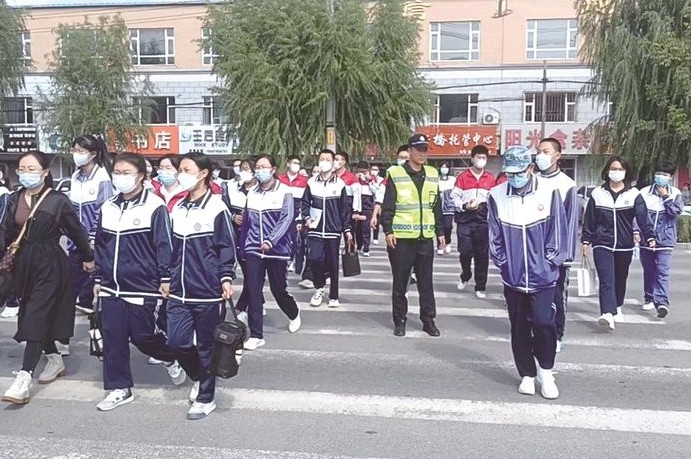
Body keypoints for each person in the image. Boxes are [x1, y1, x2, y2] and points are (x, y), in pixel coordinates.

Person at [92, 153, 186, 411]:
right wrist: (98, 277)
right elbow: (100, 245)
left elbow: (164, 244)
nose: (120, 177)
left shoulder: (154, 206)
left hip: (143, 285)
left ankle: (171, 358)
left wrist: (165, 277)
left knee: (143, 337)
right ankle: (120, 388)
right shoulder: (108, 207)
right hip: (111, 286)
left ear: (141, 176)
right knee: (113, 338)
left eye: (127, 173)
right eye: (117, 172)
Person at [1, 151, 94, 405]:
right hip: (22, 265)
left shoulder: (57, 201)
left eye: (31, 169)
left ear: (44, 172)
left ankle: (24, 377)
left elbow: (76, 231)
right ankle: (53, 357)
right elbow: (6, 233)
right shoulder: (13, 198)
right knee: (32, 312)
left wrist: (88, 257)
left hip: (50, 264)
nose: (26, 173)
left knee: (36, 314)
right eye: (22, 169)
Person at [488, 146, 567, 400]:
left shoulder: (549, 191)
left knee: (544, 323)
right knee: (519, 327)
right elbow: (494, 236)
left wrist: (550, 262)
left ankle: (546, 371)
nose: (514, 177)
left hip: (543, 276)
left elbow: (558, 231)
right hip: (513, 277)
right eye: (509, 173)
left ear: (530, 168)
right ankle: (527, 374)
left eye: (518, 172)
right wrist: (503, 263)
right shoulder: (496, 195)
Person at [167, 152, 236, 420]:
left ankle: (206, 398)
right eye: (180, 170)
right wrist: (166, 277)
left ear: (203, 173)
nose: (180, 175)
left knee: (207, 346)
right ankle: (198, 375)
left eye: (186, 170)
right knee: (176, 343)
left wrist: (226, 277)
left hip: (207, 290)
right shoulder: (178, 207)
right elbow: (170, 248)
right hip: (178, 290)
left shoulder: (217, 208)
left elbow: (226, 247)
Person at [582, 156, 655, 331]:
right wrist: (586, 240)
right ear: (607, 171)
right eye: (613, 169)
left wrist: (650, 236)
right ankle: (607, 313)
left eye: (620, 169)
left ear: (626, 172)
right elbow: (590, 219)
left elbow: (643, 218)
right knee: (606, 279)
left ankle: (617, 306)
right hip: (602, 243)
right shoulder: (598, 193)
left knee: (620, 278)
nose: (616, 172)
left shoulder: (634, 194)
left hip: (625, 244)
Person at [381, 134, 444, 337]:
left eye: (425, 149)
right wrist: (388, 230)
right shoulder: (396, 173)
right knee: (401, 282)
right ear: (410, 151)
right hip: (402, 238)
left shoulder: (432, 174)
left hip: (425, 237)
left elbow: (436, 206)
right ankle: (400, 320)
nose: (422, 153)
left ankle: (428, 320)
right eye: (419, 149)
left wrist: (441, 231)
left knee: (426, 283)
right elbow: (388, 205)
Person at [239, 155, 302, 350]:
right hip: (253, 249)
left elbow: (287, 218)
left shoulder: (285, 192)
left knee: (278, 289)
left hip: (277, 250)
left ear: (273, 169)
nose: (259, 170)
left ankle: (293, 312)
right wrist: (242, 246)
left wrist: (271, 240)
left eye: (263, 167)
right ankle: (256, 334)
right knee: (253, 290)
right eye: (257, 167)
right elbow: (247, 221)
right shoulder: (252, 193)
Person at [535, 138, 579, 352]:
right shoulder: (532, 181)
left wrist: (564, 256)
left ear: (557, 155)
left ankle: (557, 334)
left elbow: (570, 222)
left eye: (546, 151)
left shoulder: (567, 185)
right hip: (534, 253)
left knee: (557, 296)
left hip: (556, 256)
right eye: (539, 151)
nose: (540, 155)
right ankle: (537, 332)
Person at [301, 149, 353, 308]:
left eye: (327, 159)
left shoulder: (340, 184)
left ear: (333, 163)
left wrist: (347, 229)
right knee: (315, 259)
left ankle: (334, 296)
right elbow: (304, 203)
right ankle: (319, 288)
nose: (324, 162)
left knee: (332, 263)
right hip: (315, 229)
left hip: (333, 230)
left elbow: (345, 209)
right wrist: (306, 218)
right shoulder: (311, 182)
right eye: (321, 159)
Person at [69, 135, 113, 316]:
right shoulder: (75, 176)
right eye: (74, 150)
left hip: (93, 238)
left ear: (93, 154)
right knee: (75, 274)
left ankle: (87, 302)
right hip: (75, 239)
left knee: (93, 271)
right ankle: (80, 303)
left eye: (81, 151)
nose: (76, 154)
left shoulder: (102, 177)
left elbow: (103, 211)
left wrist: (94, 238)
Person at [639, 161, 683, 318]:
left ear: (670, 177)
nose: (661, 177)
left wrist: (665, 196)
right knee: (649, 270)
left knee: (662, 272)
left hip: (666, 239)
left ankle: (662, 303)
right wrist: (636, 231)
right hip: (646, 239)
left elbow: (675, 212)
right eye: (659, 173)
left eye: (665, 174)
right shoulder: (644, 192)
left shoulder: (675, 193)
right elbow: (638, 215)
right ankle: (649, 298)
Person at [450, 145, 495, 299]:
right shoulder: (463, 177)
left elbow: (494, 199)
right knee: (465, 252)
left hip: (482, 221)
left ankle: (480, 286)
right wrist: (464, 205)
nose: (481, 160)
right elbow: (454, 196)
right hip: (465, 220)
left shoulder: (490, 178)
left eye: (483, 158)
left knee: (482, 255)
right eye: (478, 157)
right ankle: (465, 274)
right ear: (472, 159)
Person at [226, 158, 260, 315]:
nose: (244, 172)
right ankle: (254, 302)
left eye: (247, 169)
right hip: (236, 235)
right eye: (242, 169)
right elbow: (224, 207)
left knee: (251, 273)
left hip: (254, 237)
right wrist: (233, 217)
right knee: (248, 273)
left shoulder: (261, 190)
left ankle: (244, 305)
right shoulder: (232, 188)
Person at [278, 155, 308, 273]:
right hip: (282, 212)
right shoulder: (280, 179)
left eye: (298, 163)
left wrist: (301, 218)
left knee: (295, 238)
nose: (296, 166)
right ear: (288, 164)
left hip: (296, 213)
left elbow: (304, 201)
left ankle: (292, 260)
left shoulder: (304, 181)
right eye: (294, 163)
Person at [355, 160, 374, 256]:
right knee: (357, 227)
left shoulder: (373, 179)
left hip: (367, 205)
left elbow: (376, 191)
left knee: (365, 227)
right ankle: (359, 245)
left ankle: (366, 247)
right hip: (357, 204)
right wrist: (356, 178)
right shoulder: (355, 179)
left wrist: (369, 180)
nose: (362, 173)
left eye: (364, 171)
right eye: (360, 171)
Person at [437, 162, 455, 256]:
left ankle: (448, 242)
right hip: (438, 207)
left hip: (448, 207)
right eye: (442, 167)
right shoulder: (436, 180)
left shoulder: (452, 179)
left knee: (447, 227)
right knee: (439, 227)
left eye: (446, 167)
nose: (444, 169)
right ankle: (440, 245)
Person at [369, 164, 384, 244]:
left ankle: (375, 237)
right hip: (369, 201)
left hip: (378, 202)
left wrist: (373, 182)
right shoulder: (367, 178)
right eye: (372, 169)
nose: (374, 171)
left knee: (377, 219)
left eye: (376, 169)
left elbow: (379, 191)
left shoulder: (381, 180)